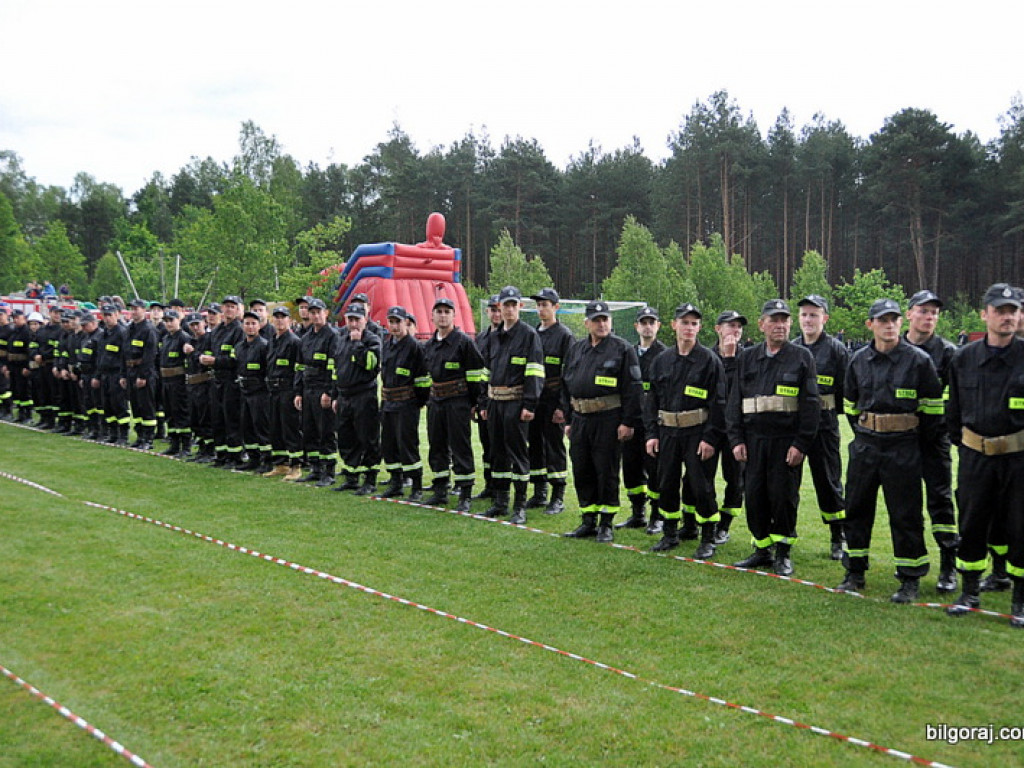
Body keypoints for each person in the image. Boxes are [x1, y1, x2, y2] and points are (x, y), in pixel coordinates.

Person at [837, 298, 945, 602]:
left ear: (901, 322)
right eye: (882, 320)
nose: (889, 325)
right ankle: (854, 572)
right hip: (866, 446)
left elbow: (933, 411)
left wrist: (910, 441)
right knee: (856, 509)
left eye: (894, 319)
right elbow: (850, 405)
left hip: (904, 447)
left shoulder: (919, 361)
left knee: (906, 514)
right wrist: (869, 431)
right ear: (870, 325)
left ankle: (910, 578)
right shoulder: (857, 360)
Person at [944, 284, 1024, 627]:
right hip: (976, 456)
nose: (1007, 317)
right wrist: (964, 445)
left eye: (1013, 311)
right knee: (973, 523)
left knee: (1020, 526)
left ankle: (1019, 600)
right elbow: (954, 409)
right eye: (1000, 310)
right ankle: (970, 592)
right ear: (984, 315)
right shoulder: (964, 358)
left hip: (1019, 459)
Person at [727, 299, 819, 577]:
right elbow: (734, 401)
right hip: (753, 441)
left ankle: (782, 552)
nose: (780, 325)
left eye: (784, 320)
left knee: (783, 498)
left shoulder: (802, 357)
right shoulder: (747, 357)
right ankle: (761, 549)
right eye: (774, 320)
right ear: (762, 324)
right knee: (754, 496)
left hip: (785, 441)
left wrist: (801, 444)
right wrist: (736, 440)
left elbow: (811, 404)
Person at [645, 303, 727, 558]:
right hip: (668, 432)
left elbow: (719, 403)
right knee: (666, 483)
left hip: (697, 432)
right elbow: (651, 401)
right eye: (685, 322)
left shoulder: (709, 361)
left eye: (694, 323)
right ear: (674, 325)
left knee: (701, 486)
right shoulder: (662, 360)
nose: (689, 327)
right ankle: (670, 533)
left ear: (699, 327)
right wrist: (651, 434)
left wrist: (710, 438)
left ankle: (708, 536)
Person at [560, 300, 643, 542]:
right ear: (587, 323)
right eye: (596, 320)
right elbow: (566, 385)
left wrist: (628, 422)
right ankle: (588, 519)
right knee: (582, 468)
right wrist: (567, 418)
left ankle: (606, 522)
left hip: (608, 418)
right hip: (579, 419)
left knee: (605, 470)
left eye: (605, 319)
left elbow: (633, 389)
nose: (601, 324)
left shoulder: (622, 349)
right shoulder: (577, 349)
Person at [903, 289, 959, 593]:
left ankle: (948, 564)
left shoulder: (948, 353)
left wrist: (943, 433)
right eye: (923, 311)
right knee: (907, 505)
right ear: (909, 313)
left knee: (940, 503)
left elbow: (955, 400)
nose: (929, 317)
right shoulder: (894, 348)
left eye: (934, 313)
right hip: (902, 442)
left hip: (935, 443)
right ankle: (911, 564)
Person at [478, 286, 545, 524]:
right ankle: (500, 502)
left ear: (520, 307)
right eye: (504, 305)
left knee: (518, 455)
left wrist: (530, 404)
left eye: (512, 305)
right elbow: (485, 372)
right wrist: (483, 402)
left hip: (516, 404)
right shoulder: (493, 337)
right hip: (495, 403)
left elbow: (535, 373)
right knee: (497, 454)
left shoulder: (529, 336)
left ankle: (519, 506)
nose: (507, 310)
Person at [792, 295, 849, 560]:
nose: (808, 320)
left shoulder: (837, 350)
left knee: (828, 482)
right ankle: (782, 536)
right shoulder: (791, 349)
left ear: (825, 318)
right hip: (793, 427)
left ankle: (838, 535)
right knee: (786, 483)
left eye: (813, 315)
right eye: (804, 315)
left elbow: (847, 390)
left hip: (824, 427)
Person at [422, 297, 486, 511]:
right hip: (436, 401)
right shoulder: (429, 345)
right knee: (436, 445)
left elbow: (476, 375)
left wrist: (475, 402)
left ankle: (464, 493)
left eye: (446, 311)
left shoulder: (464, 342)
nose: (442, 315)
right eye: (438, 311)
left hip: (458, 401)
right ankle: (440, 490)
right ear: (432, 316)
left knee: (460, 447)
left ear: (453, 315)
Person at [618, 305, 668, 532]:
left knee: (656, 470)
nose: (647, 327)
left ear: (658, 326)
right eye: (643, 322)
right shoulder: (627, 353)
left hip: (654, 425)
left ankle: (657, 515)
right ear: (636, 326)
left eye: (652, 322)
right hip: (631, 421)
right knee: (631, 469)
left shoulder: (665, 355)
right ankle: (637, 513)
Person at [526, 288, 574, 514]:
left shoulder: (564, 336)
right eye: (539, 305)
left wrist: (562, 407)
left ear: (556, 307)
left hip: (554, 400)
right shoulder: (533, 334)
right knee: (534, 446)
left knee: (553, 447)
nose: (542, 309)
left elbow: (570, 375)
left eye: (546, 304)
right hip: (535, 400)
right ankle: (539, 492)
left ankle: (558, 496)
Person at [378, 305, 430, 499]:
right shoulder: (388, 344)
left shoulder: (414, 347)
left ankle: (416, 484)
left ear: (406, 323)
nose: (394, 326)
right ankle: (396, 482)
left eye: (397, 322)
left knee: (407, 444)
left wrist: (418, 401)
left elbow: (423, 380)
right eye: (391, 322)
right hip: (388, 403)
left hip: (407, 403)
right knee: (389, 444)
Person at [333, 303, 382, 494]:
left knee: (368, 438)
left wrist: (357, 344)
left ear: (365, 320)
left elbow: (371, 364)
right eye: (350, 319)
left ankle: (370, 479)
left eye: (357, 320)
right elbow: (337, 369)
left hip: (364, 395)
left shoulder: (372, 339)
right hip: (345, 396)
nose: (353, 324)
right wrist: (335, 395)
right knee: (346, 437)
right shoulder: (341, 338)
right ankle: (351, 477)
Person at [708, 310, 747, 544]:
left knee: (735, 479)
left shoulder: (747, 358)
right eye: (730, 325)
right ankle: (700, 522)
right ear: (718, 329)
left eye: (739, 327)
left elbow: (735, 391)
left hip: (736, 430)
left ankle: (724, 525)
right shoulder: (706, 356)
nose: (735, 330)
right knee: (701, 477)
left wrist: (731, 360)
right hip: (709, 427)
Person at [293, 298, 341, 485]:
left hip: (323, 389)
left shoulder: (332, 336)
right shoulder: (305, 338)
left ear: (325, 313)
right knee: (309, 430)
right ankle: (315, 468)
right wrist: (298, 392)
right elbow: (299, 367)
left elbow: (334, 367)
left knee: (326, 431)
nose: (315, 315)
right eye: (311, 312)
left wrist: (329, 392)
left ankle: (328, 471)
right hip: (308, 389)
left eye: (318, 312)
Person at [202, 296, 245, 467]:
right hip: (216, 379)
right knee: (217, 418)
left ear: (238, 309)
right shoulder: (218, 330)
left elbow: (237, 359)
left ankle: (234, 456)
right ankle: (221, 454)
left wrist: (215, 361)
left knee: (231, 419)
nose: (228, 310)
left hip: (231, 381)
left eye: (232, 307)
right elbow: (209, 348)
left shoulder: (238, 331)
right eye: (226, 306)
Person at [263, 306, 304, 480]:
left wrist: (297, 392)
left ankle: (296, 465)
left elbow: (298, 369)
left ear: (289, 320)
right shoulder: (272, 339)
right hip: (273, 389)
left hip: (287, 388)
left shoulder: (294, 341)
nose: (279, 320)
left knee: (290, 428)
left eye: (283, 317)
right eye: (276, 317)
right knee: (275, 427)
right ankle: (280, 463)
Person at [234, 310, 272, 472]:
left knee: (261, 426)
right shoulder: (239, 347)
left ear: (259, 326)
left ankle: (267, 460)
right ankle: (253, 458)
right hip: (244, 391)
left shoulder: (264, 345)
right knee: (247, 426)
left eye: (253, 323)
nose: (250, 327)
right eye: (247, 323)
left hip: (260, 392)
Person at [473, 295, 503, 499]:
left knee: (500, 445)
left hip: (502, 400)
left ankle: (502, 488)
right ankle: (489, 484)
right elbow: (477, 373)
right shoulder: (481, 338)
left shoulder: (508, 336)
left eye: (499, 309)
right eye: (493, 309)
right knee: (486, 445)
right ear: (487, 312)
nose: (496, 313)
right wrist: (477, 402)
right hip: (484, 400)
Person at [121, 299, 159, 450]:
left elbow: (150, 356)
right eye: (132, 309)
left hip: (143, 371)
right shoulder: (129, 329)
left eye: (137, 309)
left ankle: (148, 438)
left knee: (146, 406)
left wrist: (143, 376)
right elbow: (124, 354)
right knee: (135, 406)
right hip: (130, 370)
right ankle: (140, 435)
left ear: (144, 310)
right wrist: (123, 374)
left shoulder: (148, 330)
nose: (134, 311)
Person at [157, 309, 192, 457]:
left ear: (179, 320)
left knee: (181, 413)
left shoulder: (184, 338)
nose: (169, 323)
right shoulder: (166, 338)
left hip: (178, 381)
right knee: (169, 413)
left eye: (171, 320)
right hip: (166, 380)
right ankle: (174, 443)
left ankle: (186, 446)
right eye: (166, 321)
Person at [183, 314, 216, 462]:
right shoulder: (190, 341)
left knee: (205, 418)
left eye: (197, 324)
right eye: (192, 325)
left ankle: (209, 450)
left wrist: (193, 353)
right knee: (194, 418)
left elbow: (205, 360)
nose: (195, 328)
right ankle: (201, 448)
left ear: (204, 323)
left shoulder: (209, 339)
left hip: (205, 384)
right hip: (192, 383)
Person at [95, 304, 130, 444]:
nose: (107, 318)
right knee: (107, 405)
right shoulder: (103, 334)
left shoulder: (122, 332)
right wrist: (97, 375)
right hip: (105, 374)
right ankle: (113, 433)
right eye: (105, 315)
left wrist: (123, 375)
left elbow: (125, 356)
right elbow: (99, 356)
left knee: (119, 405)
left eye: (110, 315)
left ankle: (123, 435)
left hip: (116, 373)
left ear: (117, 315)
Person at [4, 310, 34, 422]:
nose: (15, 320)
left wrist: (27, 367)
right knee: (15, 390)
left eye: (18, 317)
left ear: (24, 318)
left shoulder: (27, 332)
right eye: (14, 318)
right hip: (13, 366)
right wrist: (7, 366)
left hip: (22, 366)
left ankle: (28, 414)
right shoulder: (14, 332)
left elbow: (29, 351)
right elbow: (9, 350)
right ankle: (20, 413)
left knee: (25, 390)